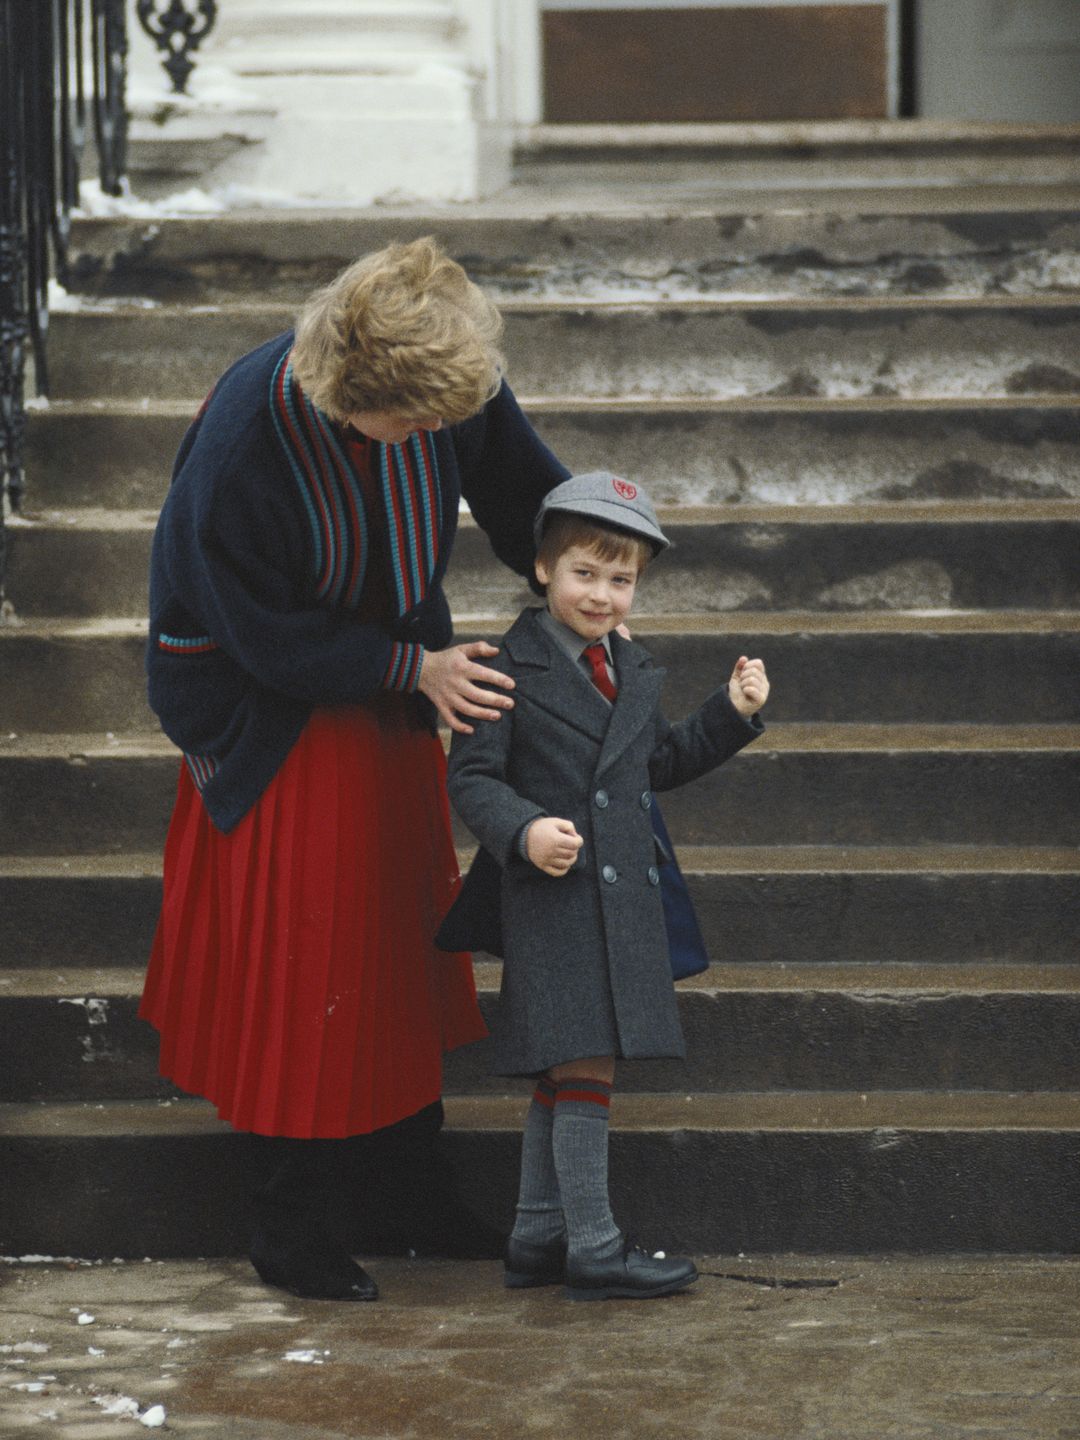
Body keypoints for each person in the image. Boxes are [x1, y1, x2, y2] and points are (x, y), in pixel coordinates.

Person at [139, 236, 571, 1301]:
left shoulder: (444, 380)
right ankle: (287, 1222)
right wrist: (408, 667)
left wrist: (586, 560)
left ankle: (403, 1197)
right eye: (414, 424)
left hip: (388, 682)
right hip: (269, 704)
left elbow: (523, 489)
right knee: (307, 964)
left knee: (397, 942)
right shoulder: (247, 437)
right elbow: (254, 630)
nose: (435, 435)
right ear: (350, 393)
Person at [438, 472, 770, 1301]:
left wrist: (728, 712)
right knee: (586, 1064)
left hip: (620, 903)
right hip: (553, 897)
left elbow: (655, 765)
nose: (603, 594)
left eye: (622, 579)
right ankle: (595, 1244)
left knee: (570, 1067)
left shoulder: (629, 667)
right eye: (586, 572)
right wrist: (523, 830)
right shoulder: (504, 666)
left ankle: (535, 1235)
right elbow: (472, 779)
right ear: (544, 569)